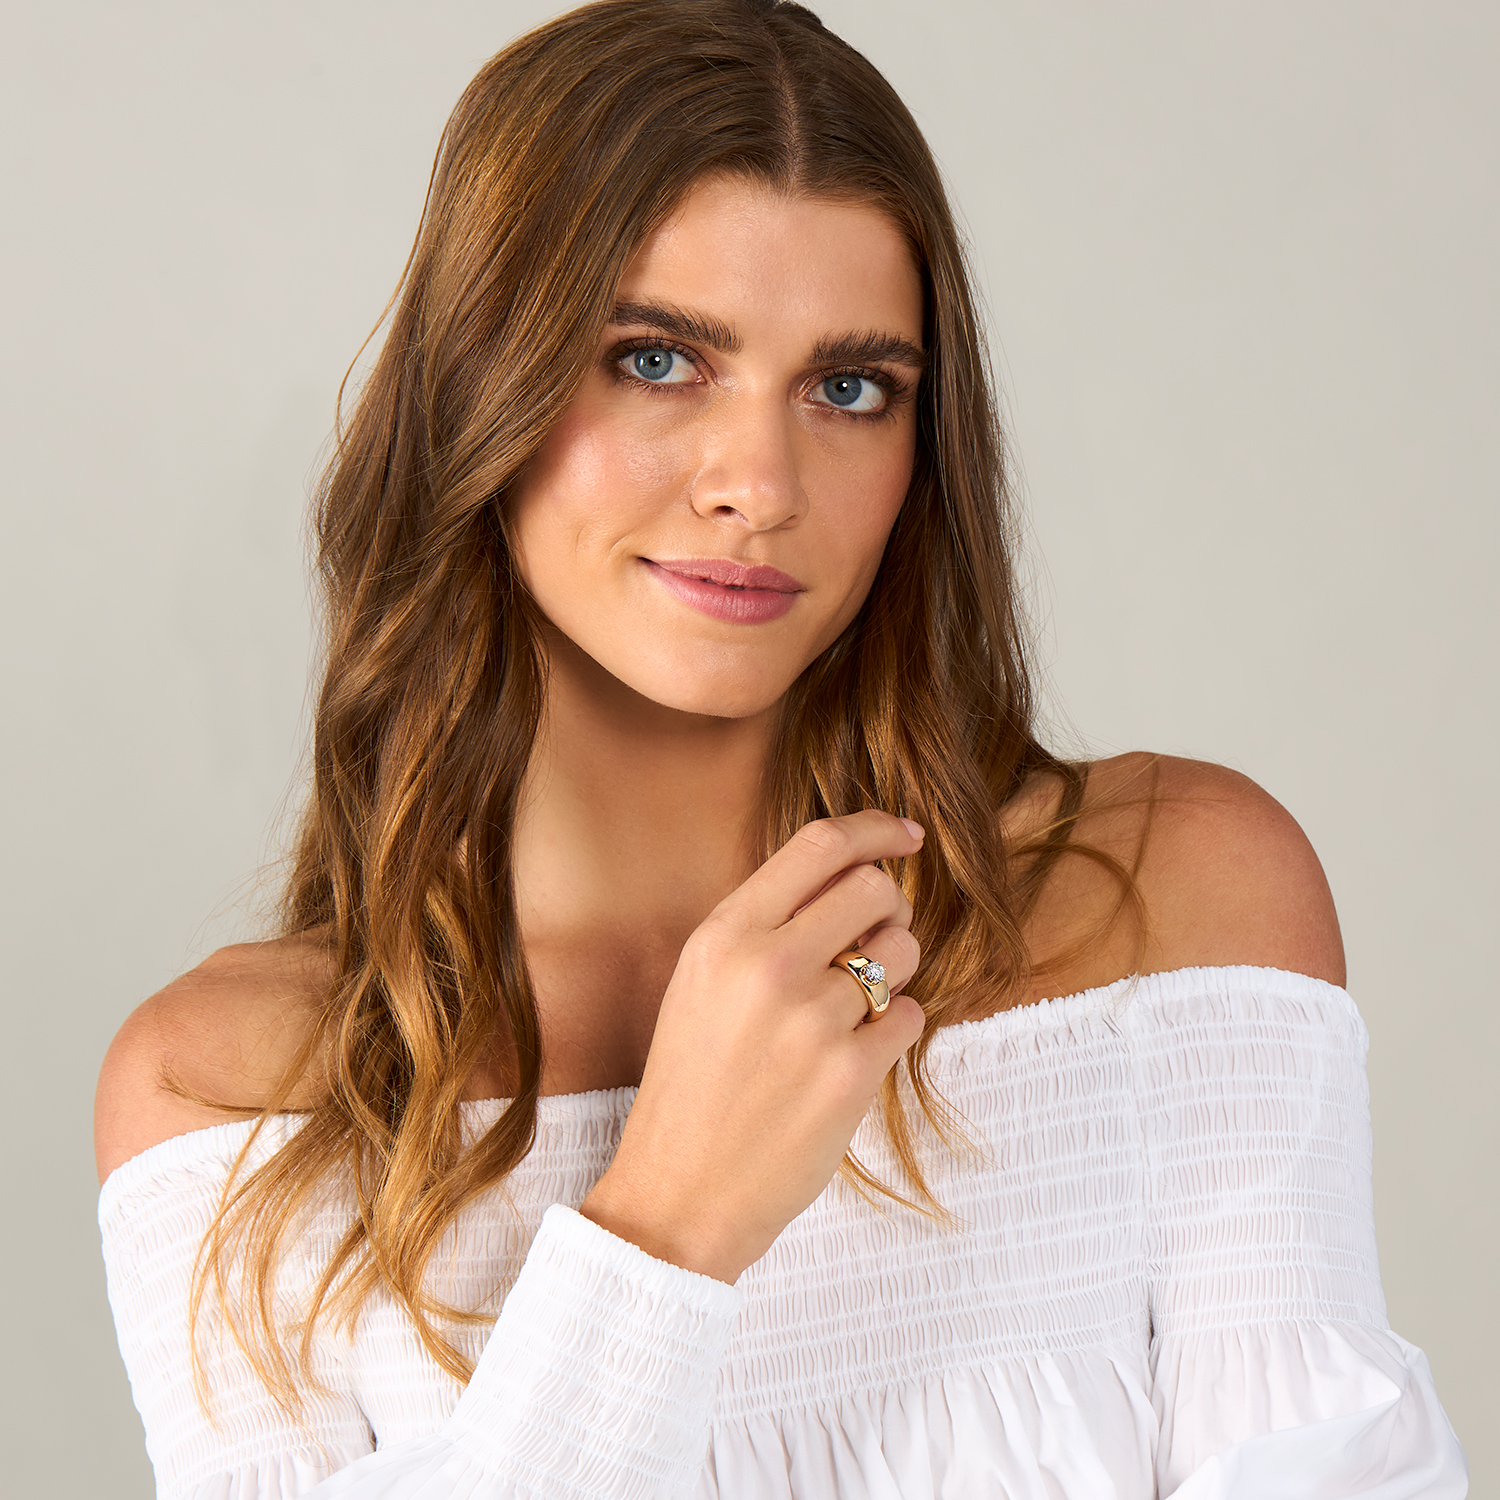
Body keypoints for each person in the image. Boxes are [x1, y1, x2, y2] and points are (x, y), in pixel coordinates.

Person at [94, 1, 1468, 1496]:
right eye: (656, 361)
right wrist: (666, 1230)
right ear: (478, 387)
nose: (760, 483)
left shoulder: (1171, 914)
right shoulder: (241, 1097)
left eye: (849, 388)